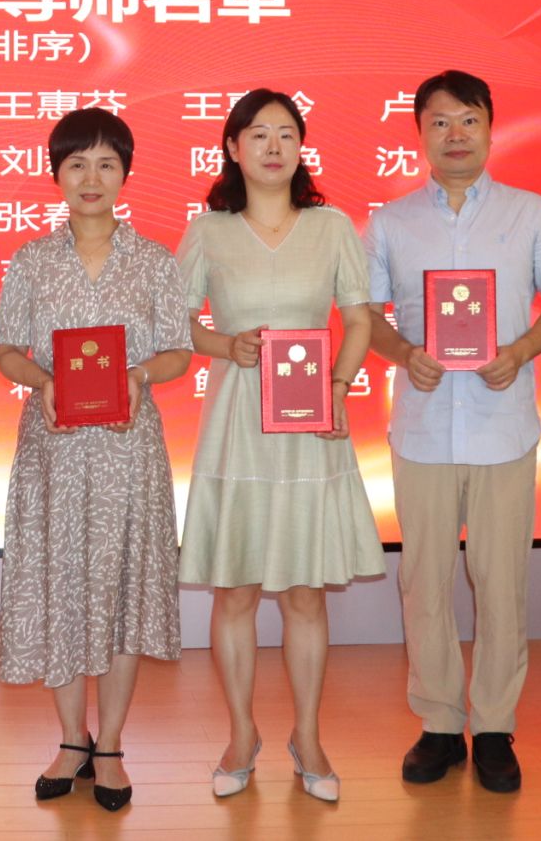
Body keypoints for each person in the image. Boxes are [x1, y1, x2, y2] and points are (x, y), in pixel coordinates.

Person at [365, 70, 541, 793]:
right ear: (419, 133)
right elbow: (365, 315)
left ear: (490, 127)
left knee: (501, 581)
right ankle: (437, 723)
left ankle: (492, 726)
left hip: (502, 427)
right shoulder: (391, 221)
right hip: (423, 428)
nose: (454, 135)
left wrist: (520, 351)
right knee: (423, 580)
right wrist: (404, 353)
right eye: (439, 122)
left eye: (468, 120)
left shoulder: (531, 212)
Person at [177, 88, 385, 803]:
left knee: (303, 590)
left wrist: (338, 386)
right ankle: (241, 735)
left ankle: (308, 737)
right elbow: (178, 323)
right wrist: (224, 344)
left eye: (286, 134)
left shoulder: (331, 226)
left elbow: (358, 317)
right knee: (235, 588)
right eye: (258, 134)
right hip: (238, 419)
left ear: (301, 147)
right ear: (232, 148)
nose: (273, 146)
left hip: (308, 423)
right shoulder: (209, 230)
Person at [0, 108, 193, 813]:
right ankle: (70, 739)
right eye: (77, 163)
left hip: (128, 451)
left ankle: (109, 744)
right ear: (56, 174)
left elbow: (178, 349)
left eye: (107, 164)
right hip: (53, 449)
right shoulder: (32, 260)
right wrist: (41, 378)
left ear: (125, 174)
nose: (91, 177)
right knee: (61, 587)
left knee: (123, 591)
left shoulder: (155, 260)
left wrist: (139, 374)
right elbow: (6, 346)